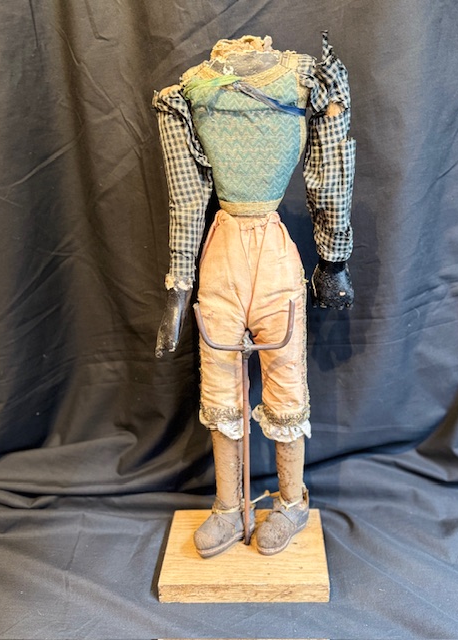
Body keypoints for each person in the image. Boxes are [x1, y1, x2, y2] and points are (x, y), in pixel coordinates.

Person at [153, 32, 355, 557]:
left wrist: (334, 260)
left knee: (285, 380)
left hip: (273, 253)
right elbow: (186, 196)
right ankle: (228, 506)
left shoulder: (305, 78)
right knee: (220, 385)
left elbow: (330, 168)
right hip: (221, 254)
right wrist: (179, 290)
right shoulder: (190, 91)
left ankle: (290, 501)